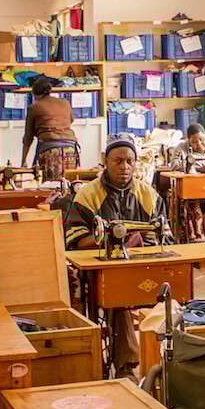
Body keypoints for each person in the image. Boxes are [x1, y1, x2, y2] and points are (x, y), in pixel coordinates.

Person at [65, 134, 172, 378]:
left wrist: (141, 241)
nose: (124, 167)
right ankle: (127, 366)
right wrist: (111, 238)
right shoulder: (88, 196)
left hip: (144, 268)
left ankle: (172, 360)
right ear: (106, 161)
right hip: (104, 271)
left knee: (175, 292)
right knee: (118, 295)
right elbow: (76, 241)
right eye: (118, 161)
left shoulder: (149, 196)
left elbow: (164, 237)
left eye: (129, 161)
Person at [21, 75, 80, 181]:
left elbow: (28, 137)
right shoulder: (65, 102)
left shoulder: (34, 108)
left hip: (50, 151)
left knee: (49, 185)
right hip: (71, 148)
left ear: (35, 94)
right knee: (69, 183)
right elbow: (71, 120)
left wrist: (23, 161)